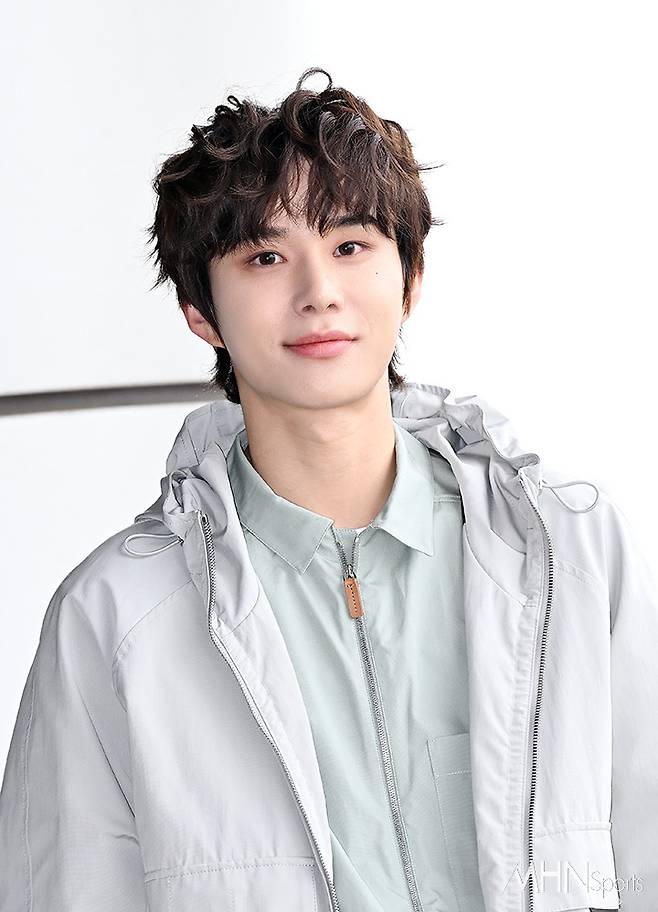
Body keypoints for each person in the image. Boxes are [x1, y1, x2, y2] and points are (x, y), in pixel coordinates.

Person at [0, 67, 656, 912]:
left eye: (350, 246)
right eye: (266, 257)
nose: (319, 295)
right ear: (201, 312)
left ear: (410, 278)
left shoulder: (572, 554)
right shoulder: (114, 617)